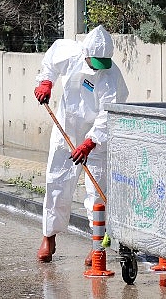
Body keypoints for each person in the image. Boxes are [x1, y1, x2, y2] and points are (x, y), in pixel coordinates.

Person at [33, 25, 128, 264]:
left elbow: (109, 115)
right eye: (96, 60)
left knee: (96, 192)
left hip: (96, 138)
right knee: (57, 181)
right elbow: (50, 62)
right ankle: (49, 236)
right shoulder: (70, 53)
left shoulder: (111, 77)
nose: (100, 65)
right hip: (66, 129)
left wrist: (90, 142)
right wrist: (46, 82)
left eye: (104, 61)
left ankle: (97, 245)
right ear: (86, 54)